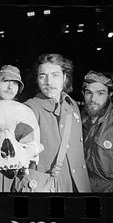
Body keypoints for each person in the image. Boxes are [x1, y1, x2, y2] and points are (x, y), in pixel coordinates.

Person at [14, 53, 91, 192]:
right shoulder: (29, 109)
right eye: (42, 76)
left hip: (78, 185)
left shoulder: (71, 104)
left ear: (65, 77)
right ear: (37, 80)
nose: (49, 82)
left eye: (55, 75)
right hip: (48, 186)